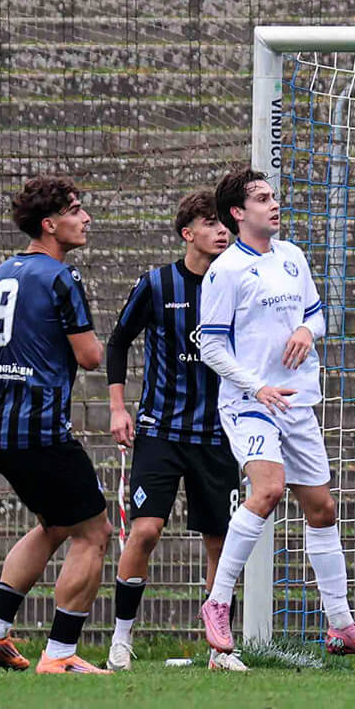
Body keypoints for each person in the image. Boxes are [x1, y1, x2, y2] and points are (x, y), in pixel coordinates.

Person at [196, 168, 355, 659]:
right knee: (269, 488)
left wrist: (308, 331)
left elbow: (316, 314)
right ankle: (217, 604)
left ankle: (342, 625)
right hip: (250, 403)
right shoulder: (226, 271)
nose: (273, 204)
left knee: (322, 508)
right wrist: (256, 386)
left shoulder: (293, 257)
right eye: (261, 199)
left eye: (273, 196)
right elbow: (211, 347)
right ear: (238, 213)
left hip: (297, 401)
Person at [0, 176, 112, 674]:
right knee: (95, 533)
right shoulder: (62, 278)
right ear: (50, 224)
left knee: (56, 525)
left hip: (1, 431)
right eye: (76, 210)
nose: (85, 219)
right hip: (42, 429)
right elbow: (90, 357)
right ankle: (60, 654)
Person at [104, 189, 245, 671]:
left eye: (226, 223)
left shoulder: (241, 283)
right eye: (211, 223)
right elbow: (119, 340)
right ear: (189, 233)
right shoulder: (157, 283)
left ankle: (218, 650)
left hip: (219, 434)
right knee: (144, 531)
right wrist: (118, 407)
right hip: (160, 430)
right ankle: (120, 640)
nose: (222, 230)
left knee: (220, 544)